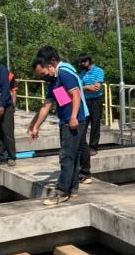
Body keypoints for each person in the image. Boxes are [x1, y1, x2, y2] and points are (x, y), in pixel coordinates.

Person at [29, 52, 87, 206]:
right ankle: (72, 188)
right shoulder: (54, 82)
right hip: (65, 121)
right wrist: (36, 127)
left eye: (43, 74)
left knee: (66, 156)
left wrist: (73, 116)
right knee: (72, 156)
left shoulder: (64, 75)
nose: (43, 77)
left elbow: (76, 95)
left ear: (50, 66)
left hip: (73, 122)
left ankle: (62, 192)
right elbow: (46, 106)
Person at [78, 54, 105, 184]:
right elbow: (79, 87)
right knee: (84, 123)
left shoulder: (98, 71)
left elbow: (97, 88)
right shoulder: (83, 73)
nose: (81, 65)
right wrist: (87, 88)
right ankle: (83, 146)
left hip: (96, 101)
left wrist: (86, 88)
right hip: (86, 101)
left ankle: (93, 147)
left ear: (87, 61)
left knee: (95, 124)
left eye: (82, 62)